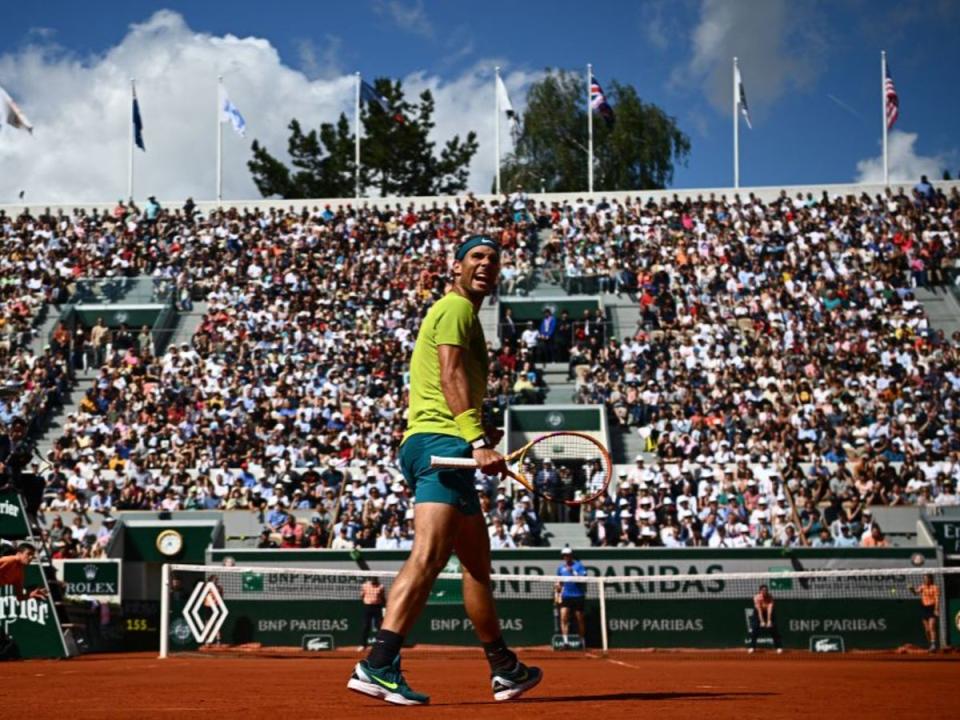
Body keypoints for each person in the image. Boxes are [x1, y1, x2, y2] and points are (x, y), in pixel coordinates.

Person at [347, 236, 541, 705]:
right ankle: (377, 664)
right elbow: (450, 372)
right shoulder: (455, 308)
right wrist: (475, 440)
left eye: (493, 260)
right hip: (441, 445)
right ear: (456, 267)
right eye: (476, 257)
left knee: (476, 566)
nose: (486, 264)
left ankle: (503, 668)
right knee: (430, 556)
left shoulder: (466, 315)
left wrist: (480, 424)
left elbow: (452, 381)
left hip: (439, 440)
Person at [554, 547, 587, 648]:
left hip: (578, 596)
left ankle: (582, 641)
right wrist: (557, 592)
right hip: (566, 596)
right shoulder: (560, 569)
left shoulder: (579, 566)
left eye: (567, 555)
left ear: (571, 556)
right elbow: (558, 583)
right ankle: (565, 642)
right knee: (563, 618)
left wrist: (572, 571)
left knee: (579, 619)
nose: (566, 557)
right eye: (564, 555)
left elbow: (583, 579)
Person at [910, 574, 941, 652]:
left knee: (932, 627)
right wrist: (912, 589)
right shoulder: (922, 587)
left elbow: (937, 599)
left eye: (927, 578)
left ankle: (933, 645)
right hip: (924, 609)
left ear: (930, 579)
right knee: (927, 629)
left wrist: (936, 609)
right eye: (925, 579)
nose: (926, 580)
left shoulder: (935, 587)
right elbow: (915, 593)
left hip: (932, 608)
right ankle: (931, 644)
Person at [748, 584, 782, 654]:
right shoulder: (756, 598)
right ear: (760, 591)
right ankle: (752, 647)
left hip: (768, 613)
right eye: (763, 590)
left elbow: (770, 610)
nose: (764, 591)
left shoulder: (770, 597)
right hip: (758, 613)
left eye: (766, 590)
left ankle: (778, 647)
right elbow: (759, 610)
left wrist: (769, 621)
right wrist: (762, 621)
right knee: (754, 629)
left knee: (774, 629)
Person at [358, 578, 386, 652]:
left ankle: (381, 645)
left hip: (377, 607)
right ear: (371, 580)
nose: (374, 582)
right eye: (373, 580)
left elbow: (382, 597)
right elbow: (361, 595)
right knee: (366, 626)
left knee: (379, 626)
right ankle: (363, 645)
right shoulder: (365, 586)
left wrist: (384, 606)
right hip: (368, 607)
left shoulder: (381, 586)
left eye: (375, 580)